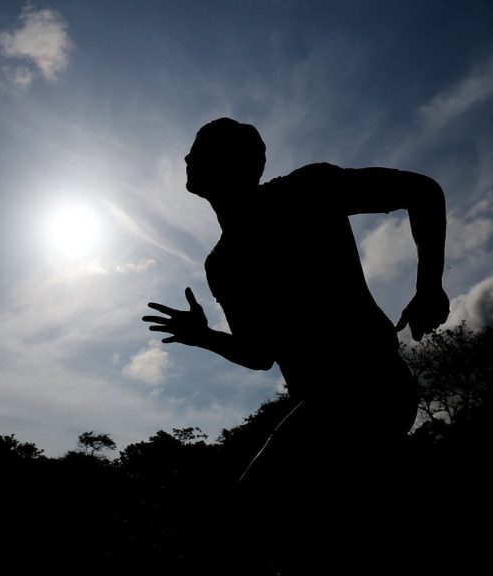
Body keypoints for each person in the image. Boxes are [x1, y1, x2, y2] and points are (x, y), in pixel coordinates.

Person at [142, 117, 449, 571]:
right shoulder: (223, 264)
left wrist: (429, 287)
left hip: (371, 386)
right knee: (271, 531)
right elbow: (259, 354)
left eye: (201, 150)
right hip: (321, 404)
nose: (187, 158)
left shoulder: (306, 190)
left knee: (254, 523)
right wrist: (203, 337)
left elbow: (422, 191)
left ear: (240, 164)